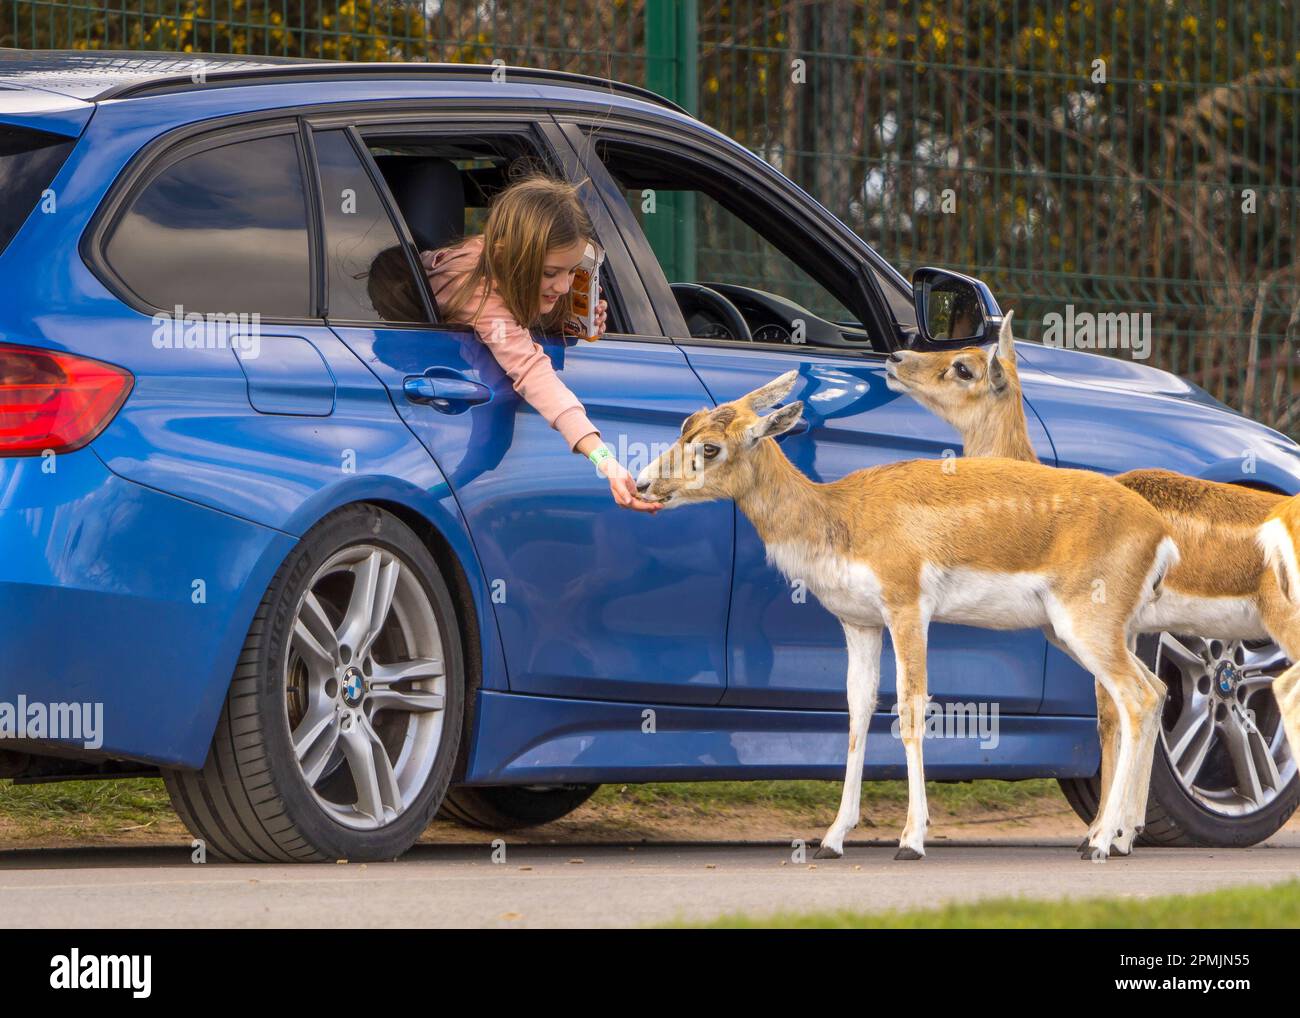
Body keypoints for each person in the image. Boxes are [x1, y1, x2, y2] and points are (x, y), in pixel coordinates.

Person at [420, 173, 660, 513]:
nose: (563, 287)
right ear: (508, 257)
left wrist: (562, 322)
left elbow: (514, 312)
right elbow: (531, 370)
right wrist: (605, 460)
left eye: (572, 271)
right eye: (550, 273)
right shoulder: (477, 290)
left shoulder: (486, 254)